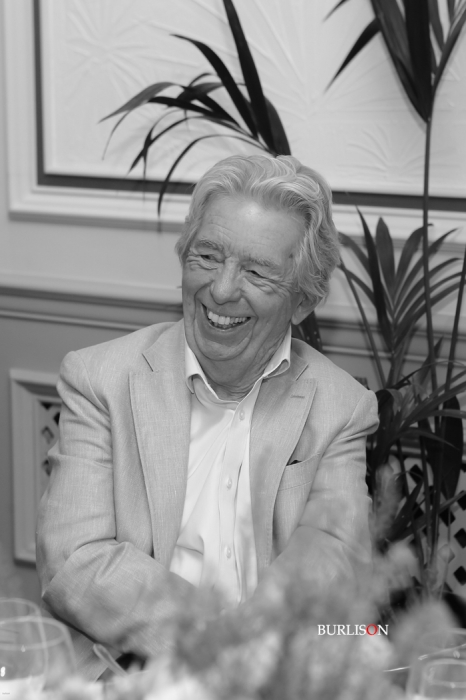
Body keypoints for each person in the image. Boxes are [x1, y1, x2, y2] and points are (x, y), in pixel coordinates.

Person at [36, 154, 379, 680]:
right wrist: (222, 642)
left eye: (257, 272)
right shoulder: (101, 378)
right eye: (208, 256)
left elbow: (334, 561)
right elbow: (74, 558)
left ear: (303, 302)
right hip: (127, 675)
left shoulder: (340, 407)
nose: (221, 289)